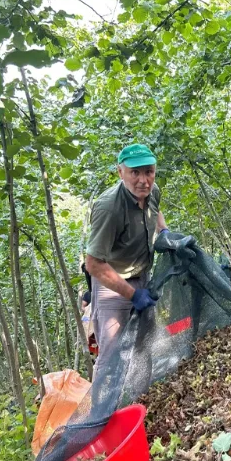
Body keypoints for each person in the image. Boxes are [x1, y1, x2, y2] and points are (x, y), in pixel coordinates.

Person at [84, 143, 171, 378]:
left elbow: (156, 209)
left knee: (144, 345)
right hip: (112, 285)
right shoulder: (109, 207)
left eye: (149, 172)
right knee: (111, 357)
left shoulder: (153, 191)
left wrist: (164, 232)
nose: (143, 180)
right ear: (120, 172)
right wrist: (132, 295)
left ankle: (140, 398)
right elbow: (93, 264)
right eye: (135, 172)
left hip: (143, 277)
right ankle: (103, 413)